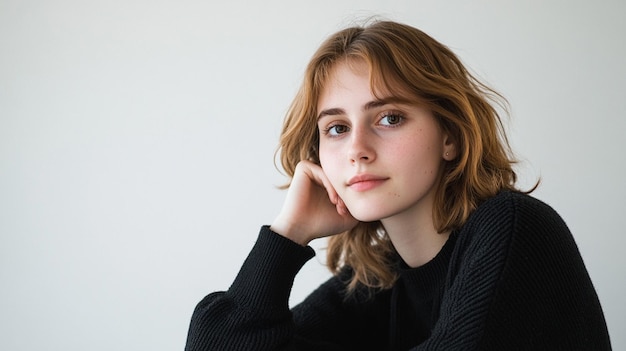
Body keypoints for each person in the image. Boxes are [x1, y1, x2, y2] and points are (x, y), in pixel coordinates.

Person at [184, 20, 611, 350]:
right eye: (336, 128)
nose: (357, 149)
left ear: (450, 136)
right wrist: (287, 235)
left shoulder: (515, 228)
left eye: (389, 118)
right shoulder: (380, 278)